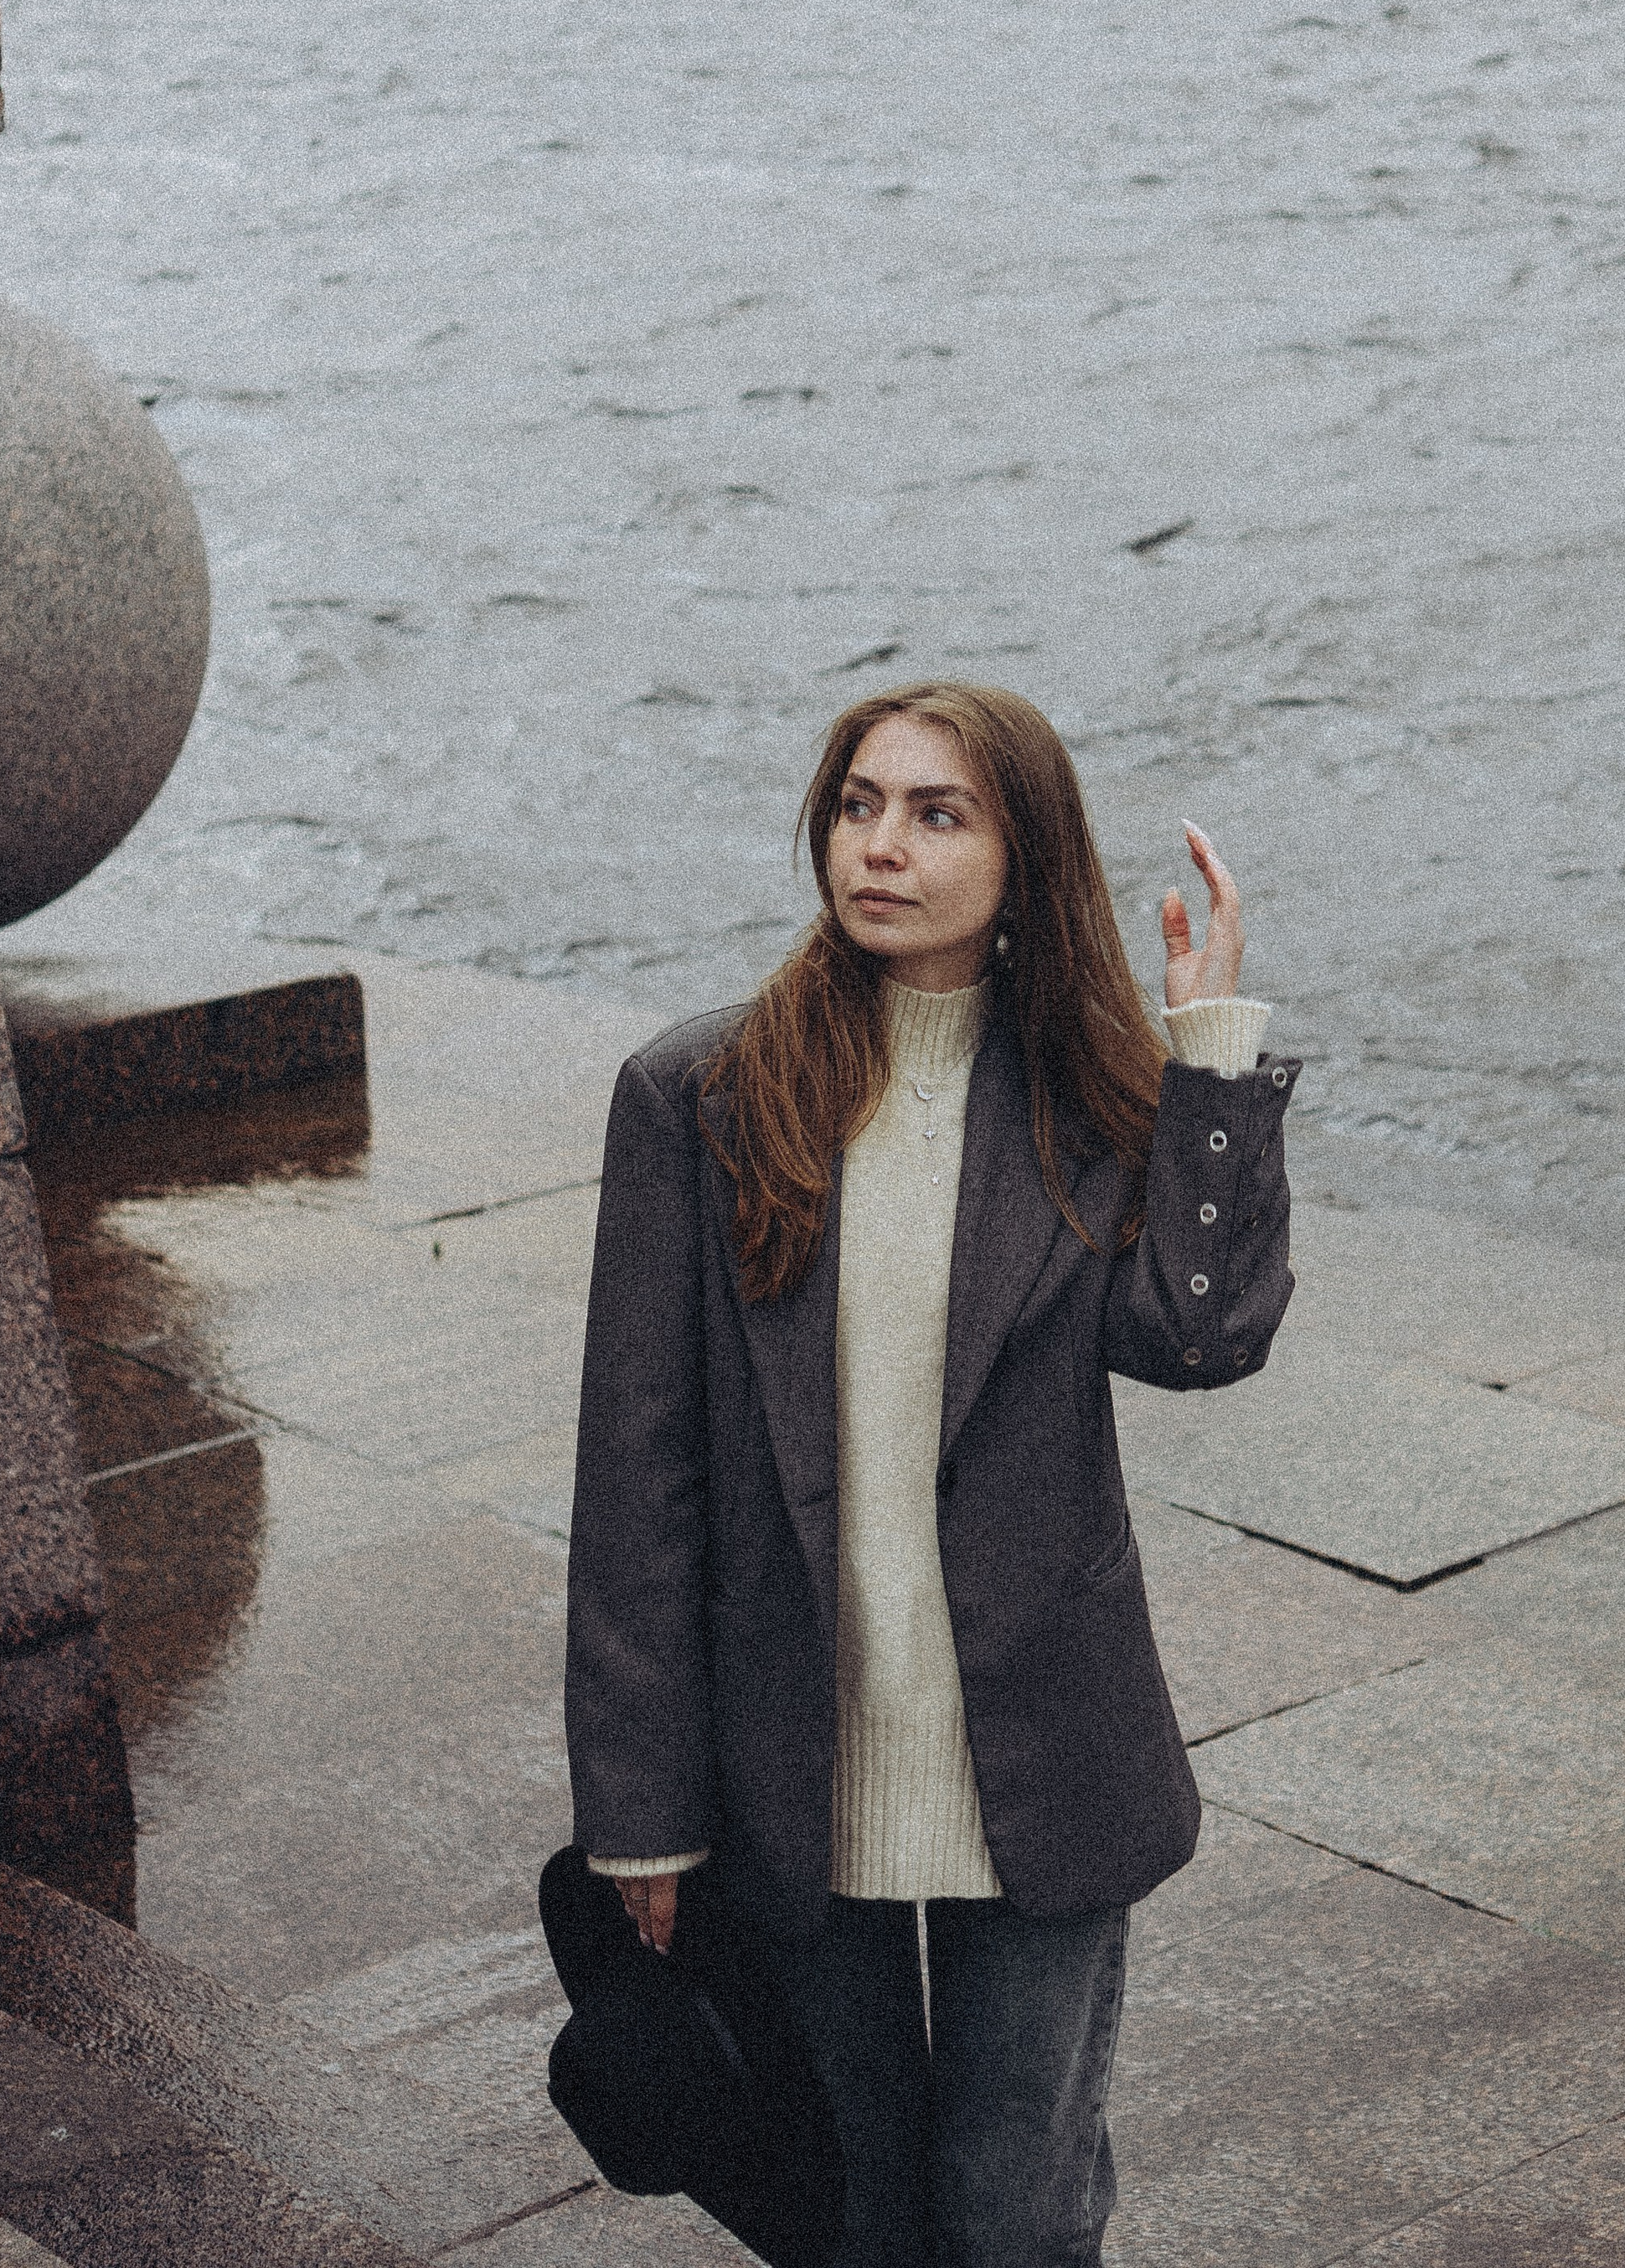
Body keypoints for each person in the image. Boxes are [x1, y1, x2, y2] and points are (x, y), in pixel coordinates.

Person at [565, 679, 1297, 2267]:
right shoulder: (699, 1096)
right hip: (794, 1760)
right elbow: (640, 1481)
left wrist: (1212, 1057)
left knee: (1013, 2207)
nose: (879, 845)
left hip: (1037, 1748)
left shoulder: (1084, 1091)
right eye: (857, 804)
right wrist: (642, 1817)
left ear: (1024, 859)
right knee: (861, 2209)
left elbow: (1199, 1334)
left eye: (934, 813)